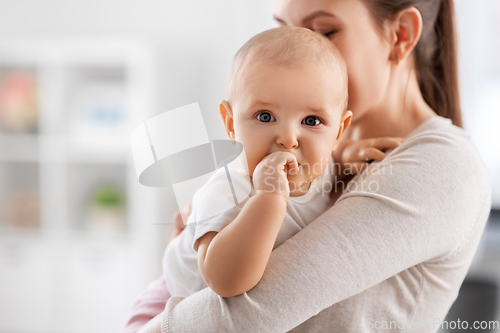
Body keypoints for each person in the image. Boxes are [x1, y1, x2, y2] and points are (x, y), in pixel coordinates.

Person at [123, 0, 492, 332]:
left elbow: (241, 316)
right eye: (284, 29)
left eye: (326, 31)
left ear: (401, 34)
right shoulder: (271, 172)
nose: (301, 53)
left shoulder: (441, 165)